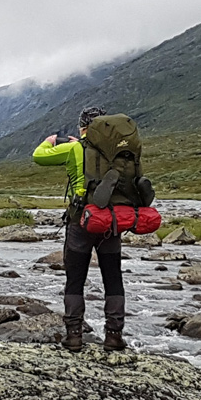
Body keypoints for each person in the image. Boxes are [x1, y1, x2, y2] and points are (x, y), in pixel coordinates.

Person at [32, 106, 126, 351]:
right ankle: (114, 336)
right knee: (113, 278)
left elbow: (39, 156)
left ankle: (74, 336)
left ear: (82, 128)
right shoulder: (120, 149)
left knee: (75, 280)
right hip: (112, 222)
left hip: (81, 220)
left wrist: (51, 140)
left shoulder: (75, 148)